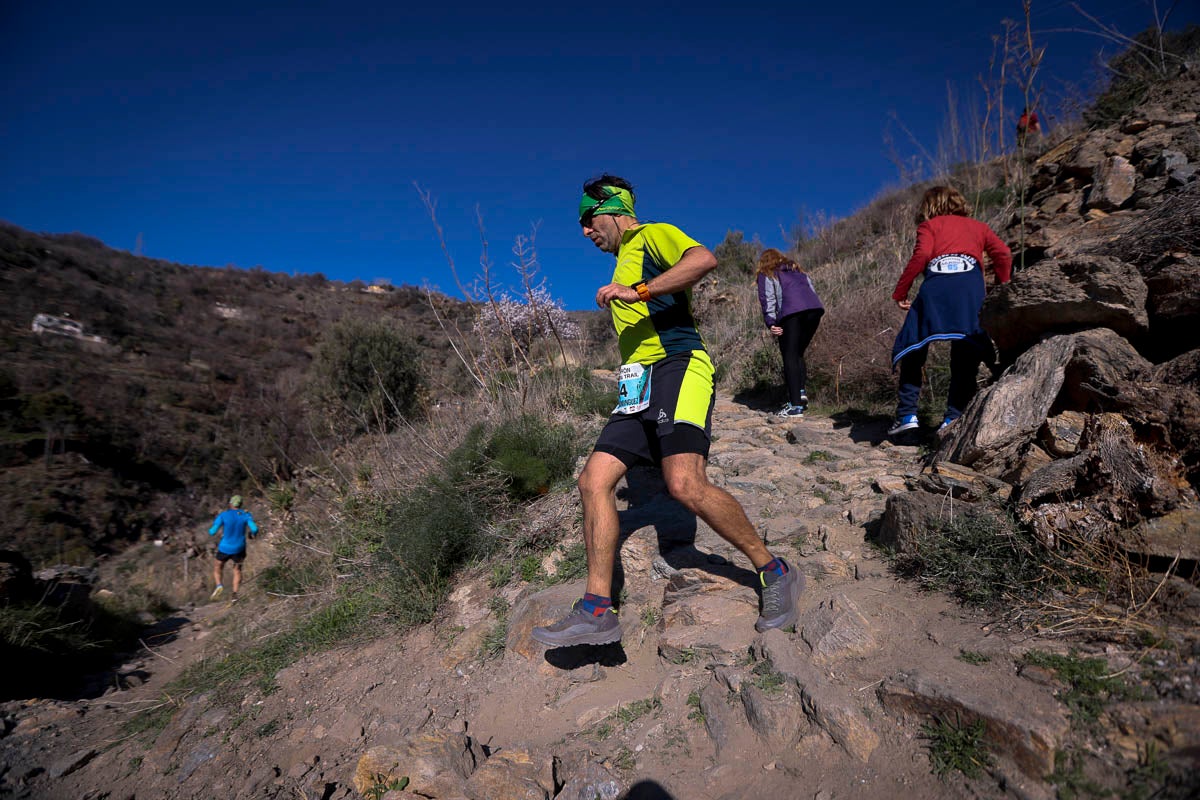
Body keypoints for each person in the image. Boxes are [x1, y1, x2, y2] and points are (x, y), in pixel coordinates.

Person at [531, 175, 804, 648]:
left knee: (684, 484)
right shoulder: (622, 261)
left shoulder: (649, 235)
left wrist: (637, 291)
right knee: (593, 480)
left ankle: (774, 571)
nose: (583, 232)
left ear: (613, 209)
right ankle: (597, 609)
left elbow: (703, 259)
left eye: (587, 220)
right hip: (637, 384)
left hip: (680, 368)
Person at [888, 186, 1012, 437]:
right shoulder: (979, 227)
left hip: (935, 291)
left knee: (913, 344)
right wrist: (1002, 288)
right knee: (966, 349)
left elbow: (922, 254)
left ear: (929, 206)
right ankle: (953, 417)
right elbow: (1004, 254)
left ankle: (907, 415)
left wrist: (901, 292)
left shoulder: (929, 226)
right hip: (970, 293)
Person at [755, 248, 825, 418]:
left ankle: (795, 407)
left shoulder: (767, 273)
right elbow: (811, 289)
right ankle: (800, 392)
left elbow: (768, 298)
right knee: (798, 352)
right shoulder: (798, 270)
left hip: (791, 311)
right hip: (815, 310)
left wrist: (771, 322)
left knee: (789, 355)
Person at [208, 494, 259, 602]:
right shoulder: (246, 515)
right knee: (237, 570)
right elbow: (254, 528)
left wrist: (215, 529)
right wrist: (251, 534)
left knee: (218, 567)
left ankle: (219, 585)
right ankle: (234, 595)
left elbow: (212, 532)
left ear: (230, 504)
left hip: (224, 547)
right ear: (240, 504)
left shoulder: (223, 515)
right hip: (239, 548)